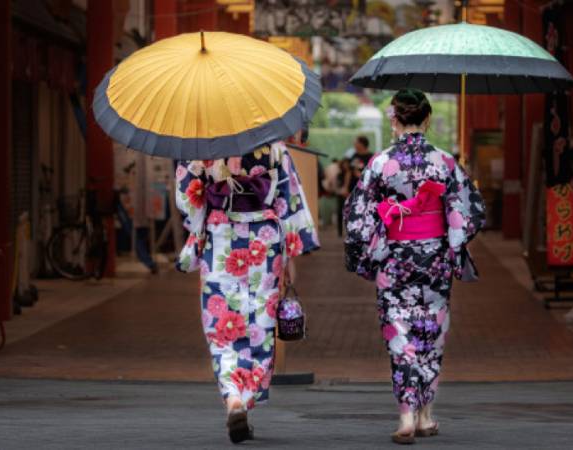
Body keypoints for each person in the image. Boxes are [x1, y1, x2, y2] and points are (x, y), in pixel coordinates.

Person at [343, 89, 486, 444]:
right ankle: (425, 414)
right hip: (434, 258)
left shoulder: (379, 162)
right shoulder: (444, 161)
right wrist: (452, 239)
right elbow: (471, 212)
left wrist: (380, 232)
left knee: (400, 333)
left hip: (394, 259)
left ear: (395, 119)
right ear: (427, 119)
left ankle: (407, 416)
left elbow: (356, 216)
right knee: (431, 332)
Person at [174, 141, 319, 444]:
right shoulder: (274, 147)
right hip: (263, 241)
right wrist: (291, 252)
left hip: (220, 237)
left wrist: (204, 217)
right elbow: (288, 200)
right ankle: (246, 396)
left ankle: (233, 399)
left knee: (221, 323)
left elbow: (189, 199)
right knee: (259, 323)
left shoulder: (202, 146)